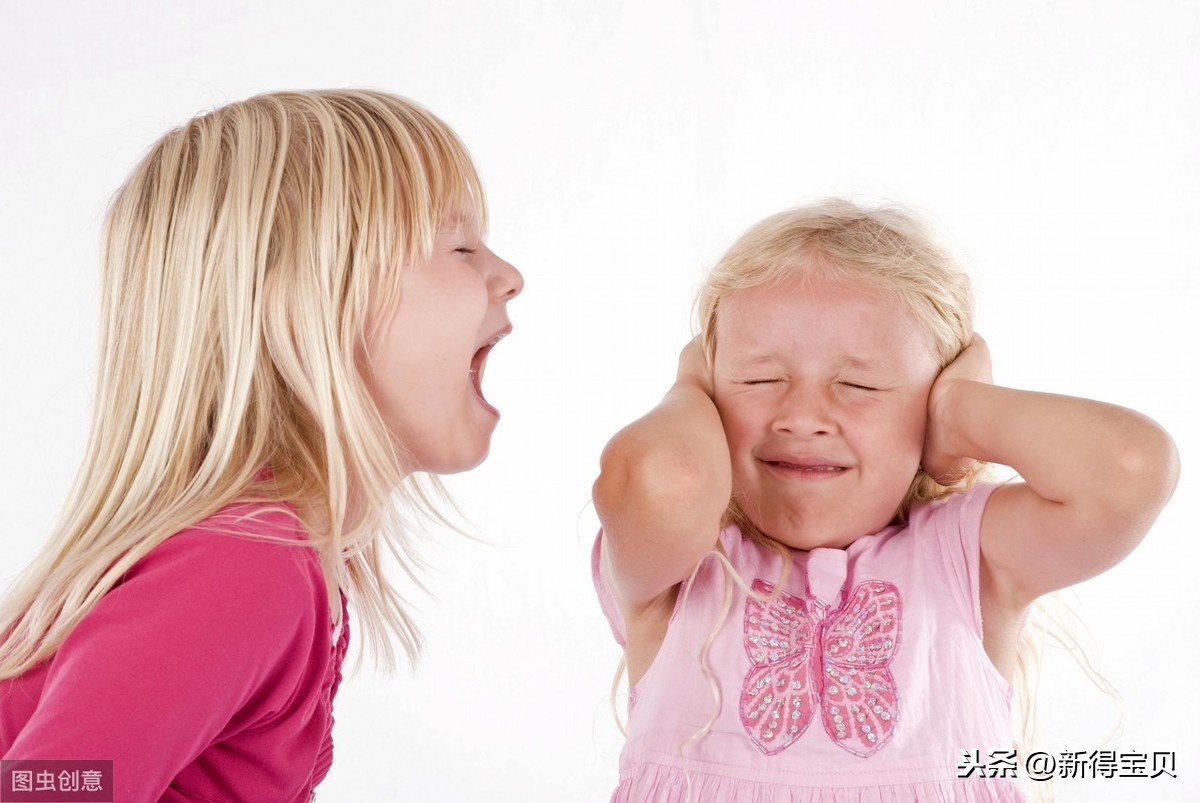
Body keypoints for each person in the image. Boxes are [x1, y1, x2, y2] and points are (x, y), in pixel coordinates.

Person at [0, 89, 523, 801]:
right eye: (460, 247)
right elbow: (48, 788)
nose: (508, 276)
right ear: (304, 310)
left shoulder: (269, 559)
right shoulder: (244, 566)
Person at [591, 198, 1178, 801]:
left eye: (858, 385)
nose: (803, 416)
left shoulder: (963, 557)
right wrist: (691, 379)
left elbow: (1129, 469)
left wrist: (958, 416)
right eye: (759, 379)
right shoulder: (686, 566)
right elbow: (664, 479)